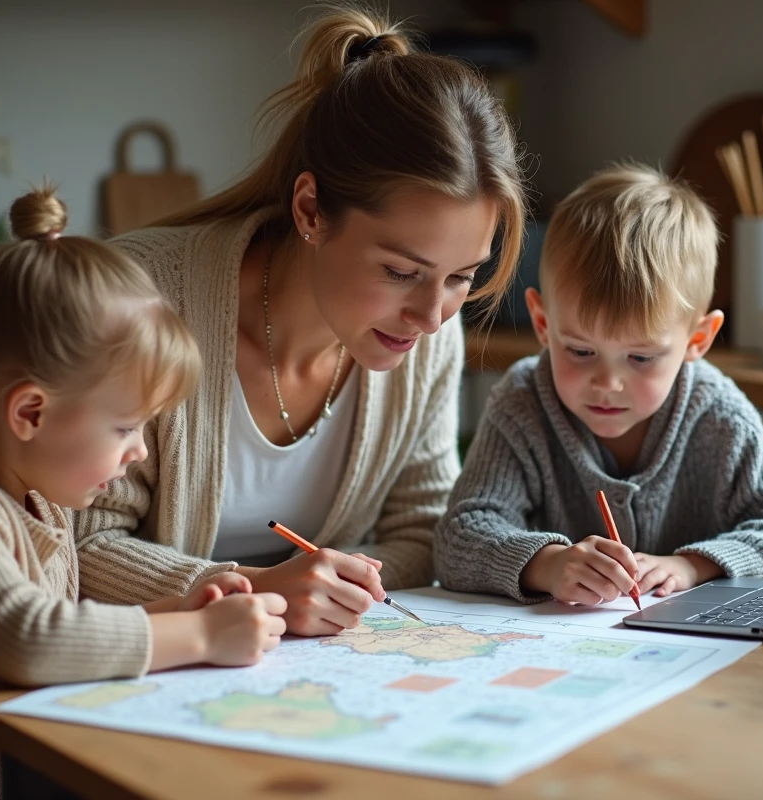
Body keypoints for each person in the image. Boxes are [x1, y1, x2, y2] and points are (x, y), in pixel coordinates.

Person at [73, 4, 529, 635]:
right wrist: (260, 590)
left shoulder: (430, 340)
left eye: (461, 277)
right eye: (401, 271)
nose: (430, 318)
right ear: (311, 210)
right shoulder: (135, 302)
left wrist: (336, 587)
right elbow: (75, 545)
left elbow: (423, 533)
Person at [0, 187, 287, 800]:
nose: (139, 451)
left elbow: (72, 627)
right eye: (125, 427)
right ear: (30, 413)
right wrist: (205, 638)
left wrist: (183, 610)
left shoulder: (36, 494)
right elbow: (29, 641)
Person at [434, 163, 763, 604]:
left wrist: (693, 565)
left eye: (641, 358)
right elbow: (457, 539)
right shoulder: (523, 402)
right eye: (580, 351)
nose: (608, 383)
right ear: (543, 323)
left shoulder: (717, 414)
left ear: (697, 340)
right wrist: (548, 564)